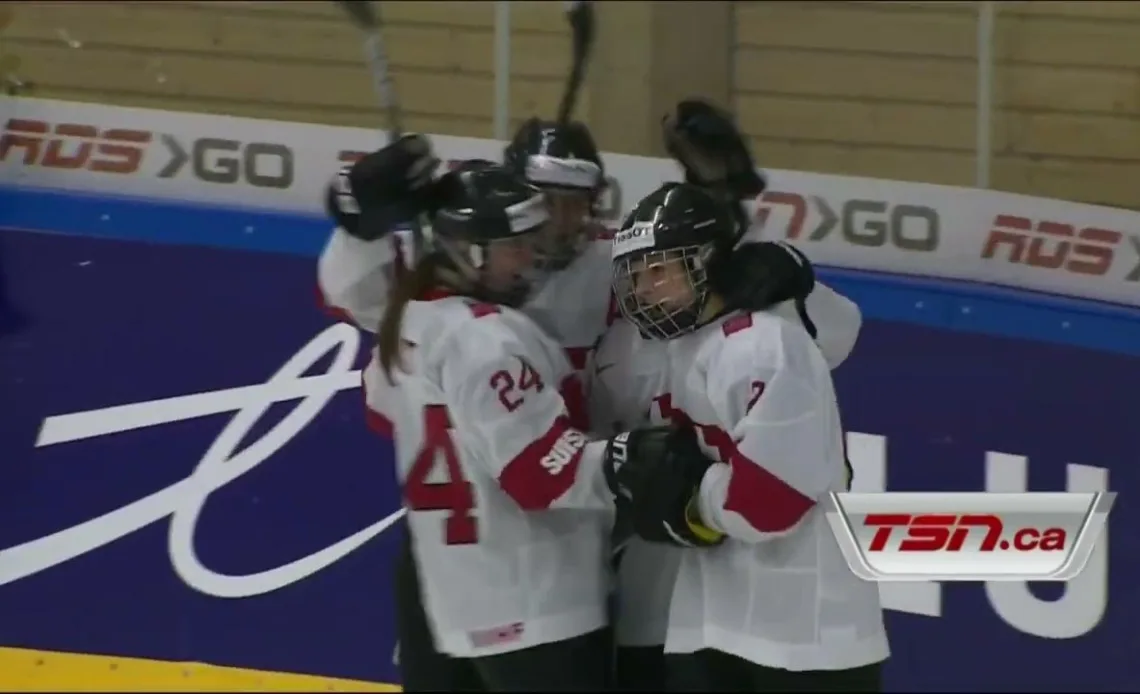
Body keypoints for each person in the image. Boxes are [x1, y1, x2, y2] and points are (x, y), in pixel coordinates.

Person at [362, 159, 693, 691]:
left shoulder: (407, 328)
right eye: (513, 245)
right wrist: (629, 459)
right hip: (537, 601)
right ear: (468, 251)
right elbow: (542, 476)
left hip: (454, 605)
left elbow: (382, 414)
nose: (530, 258)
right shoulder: (491, 338)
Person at [606, 181, 890, 693]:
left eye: (659, 271)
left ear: (707, 264)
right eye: (637, 276)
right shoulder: (675, 347)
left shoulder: (768, 345)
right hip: (711, 622)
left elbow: (770, 504)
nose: (645, 289)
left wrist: (693, 496)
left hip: (808, 635)